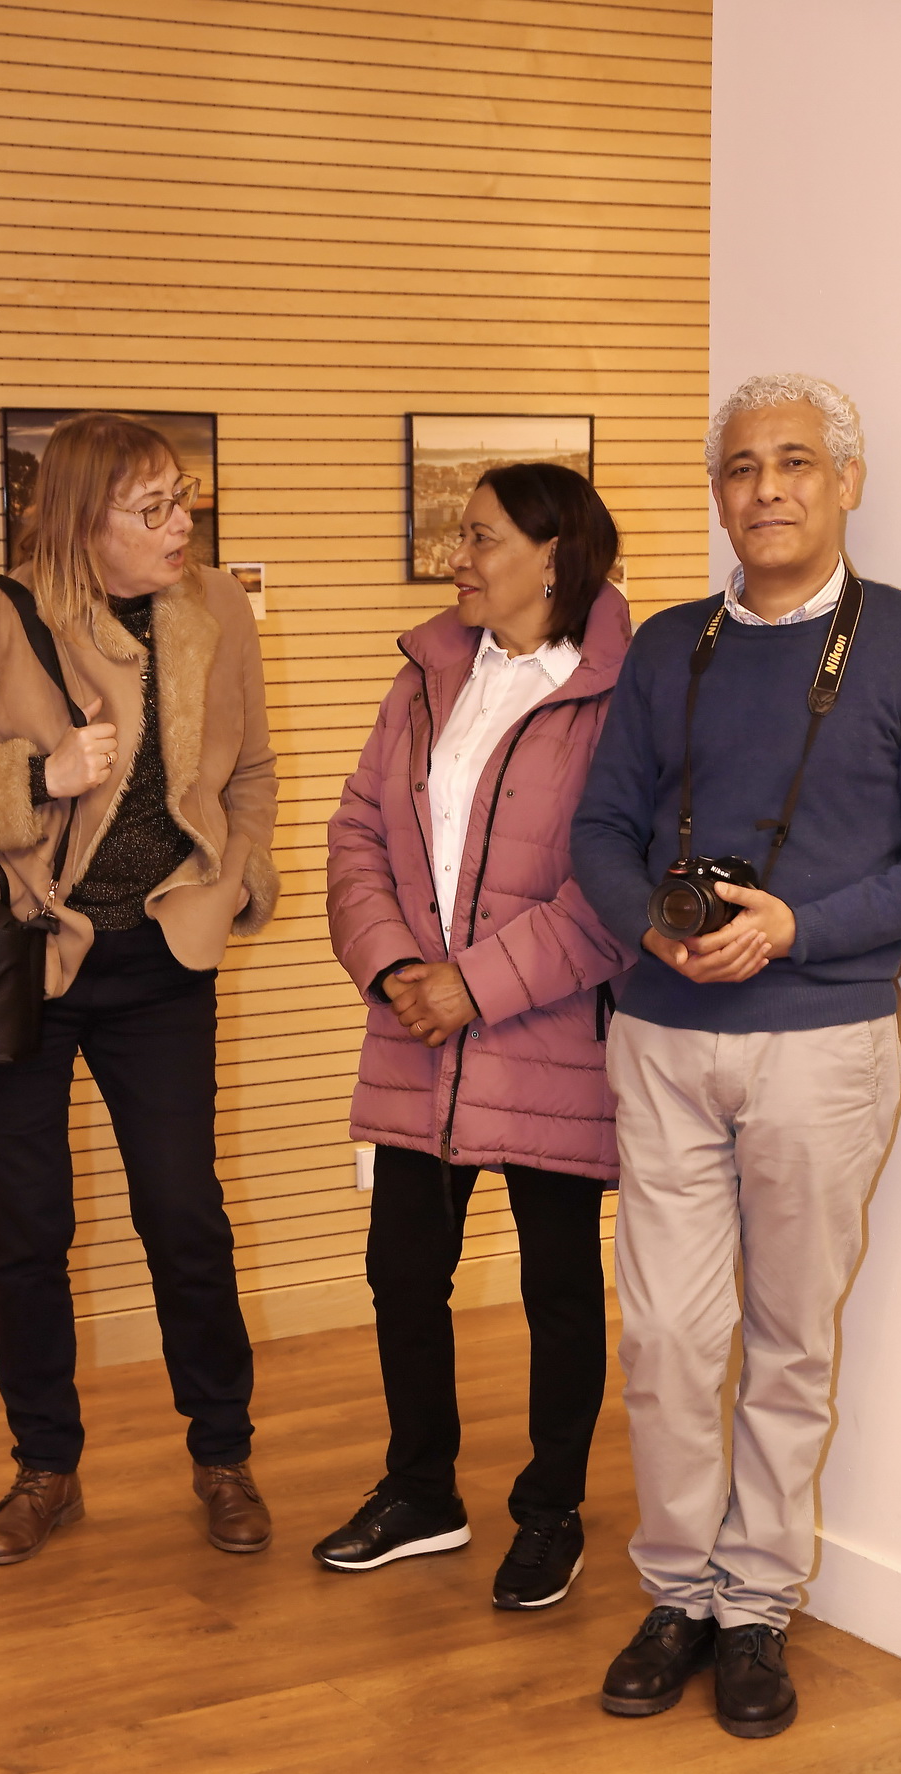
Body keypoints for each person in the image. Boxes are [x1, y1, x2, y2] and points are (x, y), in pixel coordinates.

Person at [571, 373, 901, 1736]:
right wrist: (655, 924)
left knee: (789, 1341)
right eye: (742, 467)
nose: (765, 489)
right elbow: (599, 828)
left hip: (824, 1043)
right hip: (660, 1033)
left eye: (795, 462)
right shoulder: (666, 646)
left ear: (844, 483)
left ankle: (753, 1606)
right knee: (666, 1340)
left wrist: (795, 926)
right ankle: (675, 1592)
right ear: (718, 494)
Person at [0, 412, 279, 1566]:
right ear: (79, 522)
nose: (181, 522)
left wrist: (238, 874)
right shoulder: (1, 617)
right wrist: (34, 776)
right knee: (27, 1227)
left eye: (182, 497)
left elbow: (251, 770)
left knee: (184, 1215)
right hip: (23, 961)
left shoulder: (218, 610)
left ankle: (223, 1452)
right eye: (152, 507)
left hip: (161, 963)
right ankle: (44, 1465)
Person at [313, 463, 634, 1610]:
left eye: (483, 537)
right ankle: (421, 1491)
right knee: (402, 1270)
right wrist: (396, 966)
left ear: (553, 556)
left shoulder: (621, 694)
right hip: (416, 1026)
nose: (459, 556)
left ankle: (551, 1512)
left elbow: (616, 885)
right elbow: (358, 828)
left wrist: (476, 986)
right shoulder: (426, 674)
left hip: (549, 1032)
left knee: (558, 1283)